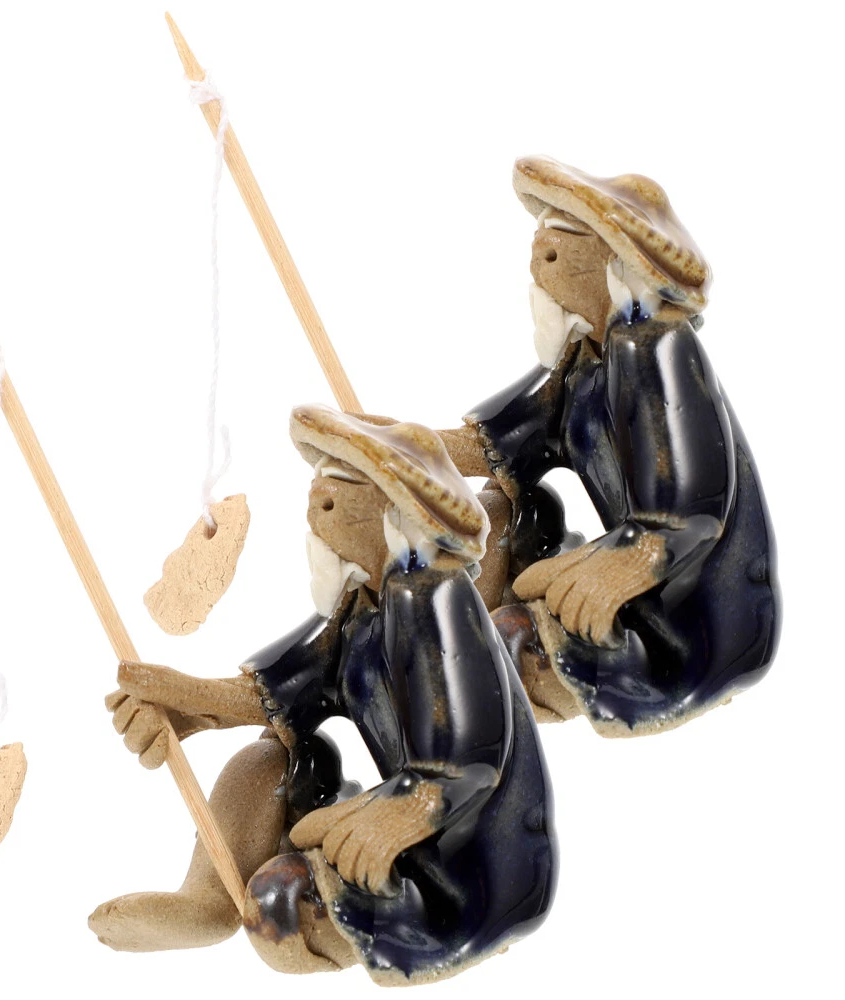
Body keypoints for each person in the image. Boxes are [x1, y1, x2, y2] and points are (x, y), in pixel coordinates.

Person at [89, 406, 556, 985]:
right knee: (270, 757)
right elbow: (285, 690)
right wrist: (190, 704)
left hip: (475, 869)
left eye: (345, 485)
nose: (320, 500)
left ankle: (423, 926)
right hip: (414, 821)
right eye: (321, 482)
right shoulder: (362, 610)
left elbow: (472, 761)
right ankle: (207, 897)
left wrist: (397, 813)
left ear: (401, 511)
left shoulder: (437, 607)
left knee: (280, 909)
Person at [442, 156, 780, 735]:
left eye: (568, 238)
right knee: (498, 507)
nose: (543, 254)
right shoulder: (585, 359)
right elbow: (495, 444)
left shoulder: (658, 354)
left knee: (516, 641)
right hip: (629, 574)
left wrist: (624, 563)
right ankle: (449, 648)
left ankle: (480, 707)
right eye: (546, 234)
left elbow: (692, 510)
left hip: (691, 622)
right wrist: (398, 454)